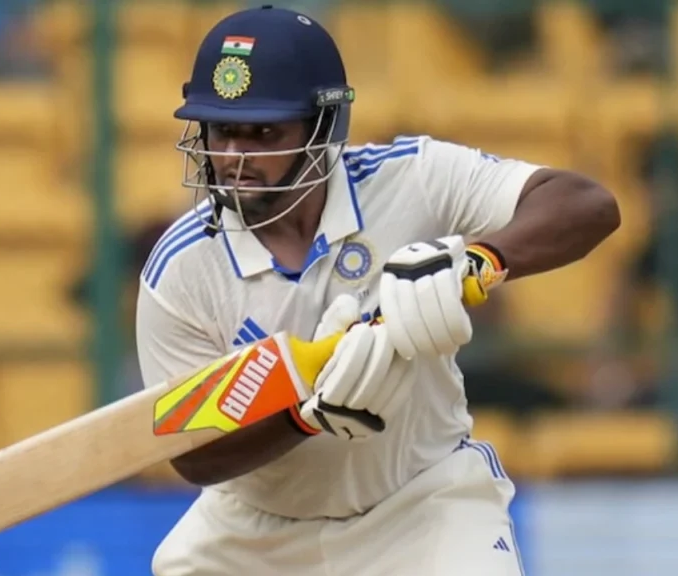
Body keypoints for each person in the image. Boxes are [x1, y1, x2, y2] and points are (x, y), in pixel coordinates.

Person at [135, 5, 620, 575]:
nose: (234, 159)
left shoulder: (412, 178)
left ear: (323, 127)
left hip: (422, 503)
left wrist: (477, 262)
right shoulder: (180, 270)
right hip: (255, 534)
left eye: (263, 132)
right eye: (221, 131)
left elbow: (587, 204)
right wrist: (306, 415)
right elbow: (194, 455)